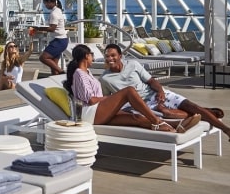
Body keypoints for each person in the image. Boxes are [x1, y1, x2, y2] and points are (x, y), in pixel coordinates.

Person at [101, 43, 230, 142]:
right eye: (107, 56)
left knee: (192, 106)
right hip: (141, 106)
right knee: (167, 113)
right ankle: (207, 112)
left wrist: (160, 91)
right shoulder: (105, 78)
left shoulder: (133, 65)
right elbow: (107, 100)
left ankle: (228, 130)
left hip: (155, 94)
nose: (110, 59)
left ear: (120, 55)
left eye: (113, 55)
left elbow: (151, 81)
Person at [65, 44, 197, 132]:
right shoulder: (79, 74)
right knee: (129, 91)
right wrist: (112, 99)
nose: (92, 57)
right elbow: (91, 100)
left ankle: (176, 125)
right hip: (90, 114)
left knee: (136, 118)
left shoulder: (87, 72)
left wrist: (111, 101)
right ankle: (157, 121)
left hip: (98, 112)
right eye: (91, 54)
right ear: (86, 56)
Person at [37, 0, 69, 75]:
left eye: (45, 3)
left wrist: (39, 28)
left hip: (59, 41)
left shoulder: (54, 13)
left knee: (43, 58)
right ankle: (57, 78)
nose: (45, 6)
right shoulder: (57, 10)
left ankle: (62, 72)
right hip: (61, 40)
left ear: (49, 2)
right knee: (53, 66)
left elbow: (52, 28)